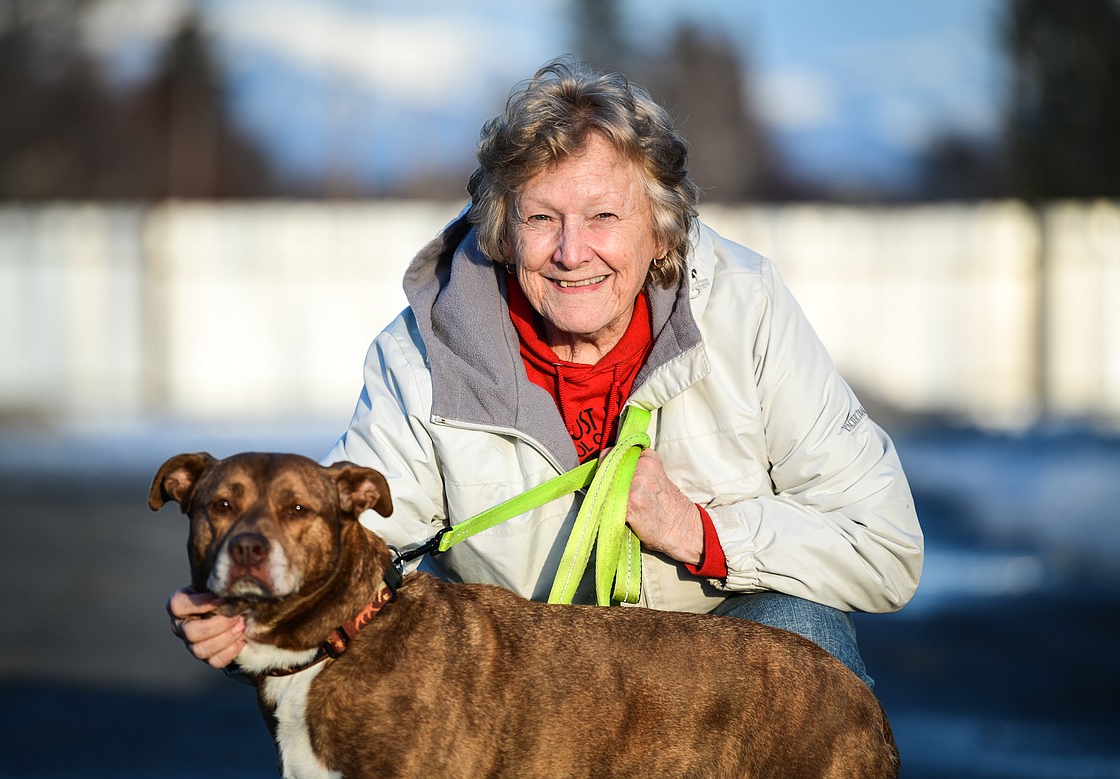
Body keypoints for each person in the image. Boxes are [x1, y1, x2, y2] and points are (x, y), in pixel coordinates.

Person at [168, 57, 923, 690]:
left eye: (603, 217)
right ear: (503, 228)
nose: (571, 251)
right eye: (541, 219)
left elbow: (885, 545)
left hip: (707, 668)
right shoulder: (424, 351)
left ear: (660, 227)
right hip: (522, 685)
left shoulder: (745, 309)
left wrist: (703, 531)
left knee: (805, 632)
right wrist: (248, 607)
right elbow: (359, 550)